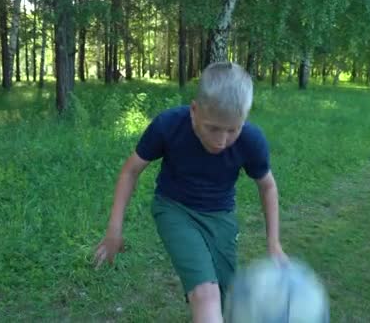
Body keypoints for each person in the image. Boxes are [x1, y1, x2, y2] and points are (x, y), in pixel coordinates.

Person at [93, 62, 287, 322]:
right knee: (206, 295)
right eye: (213, 128)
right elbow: (130, 171)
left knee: (228, 299)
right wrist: (114, 230)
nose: (221, 141)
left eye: (232, 130)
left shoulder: (251, 140)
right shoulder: (169, 125)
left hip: (221, 217)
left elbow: (267, 186)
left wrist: (273, 244)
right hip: (174, 209)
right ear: (195, 110)